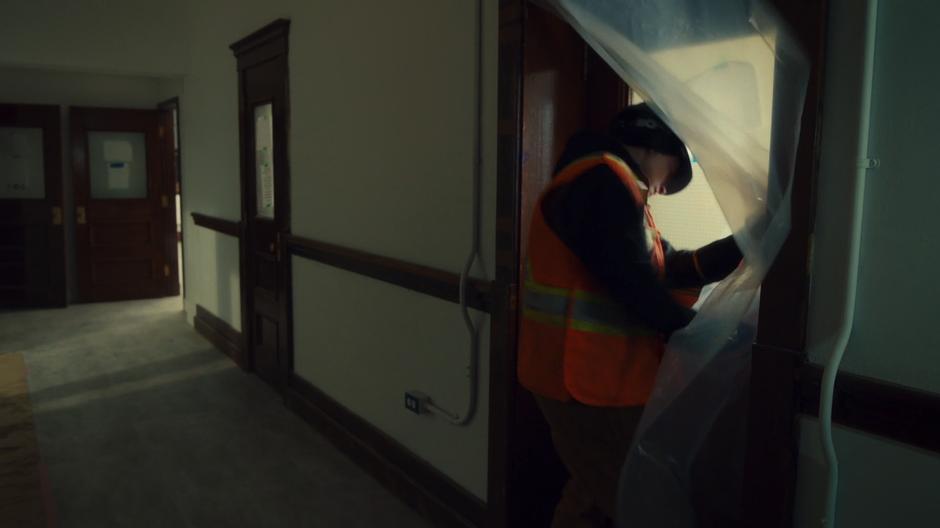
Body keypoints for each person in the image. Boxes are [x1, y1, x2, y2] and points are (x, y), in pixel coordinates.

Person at [517, 103, 742, 528]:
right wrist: (699, 336)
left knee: (590, 492)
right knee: (639, 500)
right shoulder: (602, 181)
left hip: (586, 379)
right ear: (655, 142)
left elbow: (668, 269)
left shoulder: (608, 187)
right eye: (673, 172)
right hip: (585, 381)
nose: (665, 187)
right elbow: (632, 284)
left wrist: (742, 245)